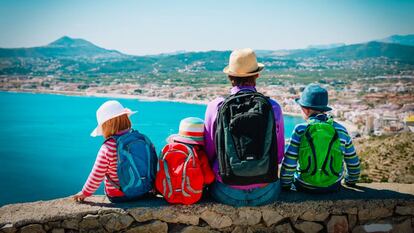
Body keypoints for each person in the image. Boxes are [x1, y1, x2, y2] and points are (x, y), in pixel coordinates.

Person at [204, 48, 284, 206]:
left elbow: (210, 152)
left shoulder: (216, 106)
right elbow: (279, 154)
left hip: (226, 191)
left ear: (229, 76)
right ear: (257, 75)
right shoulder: (272, 107)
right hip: (265, 191)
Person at [280, 84, 360, 193]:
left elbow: (290, 162)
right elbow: (353, 161)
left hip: (304, 185)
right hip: (333, 185)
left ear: (306, 110)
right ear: (324, 109)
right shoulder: (341, 130)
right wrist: (350, 181)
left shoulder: (300, 130)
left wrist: (285, 185)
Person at [73, 100, 157, 202]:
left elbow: (96, 175)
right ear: (126, 118)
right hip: (144, 191)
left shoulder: (108, 147)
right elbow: (153, 163)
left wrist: (85, 192)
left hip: (119, 195)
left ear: (105, 126)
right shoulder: (142, 139)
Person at [155, 117, 214, 205]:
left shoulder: (168, 149)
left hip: (168, 195)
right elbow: (209, 179)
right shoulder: (199, 154)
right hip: (192, 196)